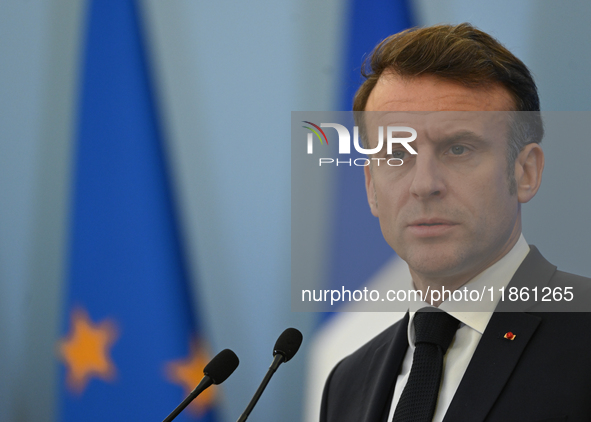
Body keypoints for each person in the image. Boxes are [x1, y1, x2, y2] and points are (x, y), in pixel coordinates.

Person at [320, 23, 591, 422]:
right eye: (396, 154)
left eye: (458, 148)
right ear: (371, 187)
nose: (424, 184)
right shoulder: (347, 381)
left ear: (526, 172)